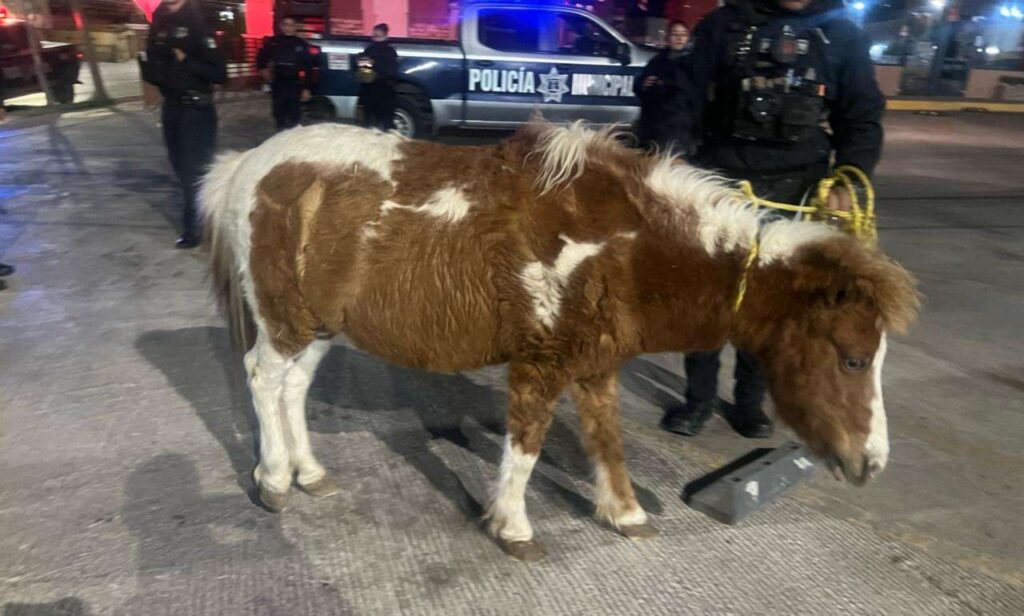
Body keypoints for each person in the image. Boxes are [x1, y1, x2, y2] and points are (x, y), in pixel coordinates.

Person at [661, 0, 885, 438]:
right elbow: (680, 97)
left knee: (772, 307)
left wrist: (849, 178)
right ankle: (699, 400)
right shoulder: (722, 26)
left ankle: (749, 403)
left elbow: (862, 118)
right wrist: (677, 157)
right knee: (708, 302)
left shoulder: (840, 33)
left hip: (798, 194)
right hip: (720, 186)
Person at [140, 0, 226, 248]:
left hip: (196, 110)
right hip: (173, 108)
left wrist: (185, 60)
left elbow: (219, 73)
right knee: (180, 170)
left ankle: (195, 231)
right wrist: (150, 70)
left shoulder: (199, 19)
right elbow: (155, 58)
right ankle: (203, 220)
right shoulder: (160, 19)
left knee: (194, 173)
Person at [633, 21, 691, 152]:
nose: (679, 38)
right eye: (675, 34)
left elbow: (688, 87)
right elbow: (639, 84)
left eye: (683, 34)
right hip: (653, 121)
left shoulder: (692, 62)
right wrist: (644, 84)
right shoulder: (657, 60)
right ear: (668, 38)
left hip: (678, 122)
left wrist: (663, 83)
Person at [256, 16, 316, 130]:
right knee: (279, 114)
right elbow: (261, 60)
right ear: (281, 26)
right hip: (278, 84)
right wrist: (265, 74)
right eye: (286, 25)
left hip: (294, 84)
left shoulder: (301, 44)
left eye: (291, 25)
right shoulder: (273, 42)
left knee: (295, 116)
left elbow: (309, 67)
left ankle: (293, 142)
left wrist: (307, 88)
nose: (288, 28)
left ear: (295, 27)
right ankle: (280, 138)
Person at [356, 23, 398, 131]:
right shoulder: (369, 50)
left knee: (383, 125)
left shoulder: (389, 52)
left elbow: (390, 71)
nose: (375, 39)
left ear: (385, 36)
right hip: (369, 92)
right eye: (374, 36)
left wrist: (373, 64)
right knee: (369, 125)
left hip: (384, 93)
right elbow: (363, 70)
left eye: (378, 36)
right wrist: (363, 62)